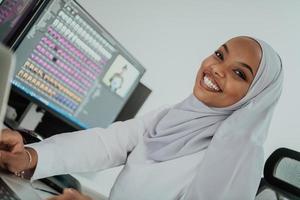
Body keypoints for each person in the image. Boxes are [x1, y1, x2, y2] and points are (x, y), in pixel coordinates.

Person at [0, 36, 283, 200]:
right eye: (220, 54)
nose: (217, 68)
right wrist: (29, 156)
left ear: (255, 99)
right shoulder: (171, 116)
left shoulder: (235, 163)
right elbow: (107, 143)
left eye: (239, 73)